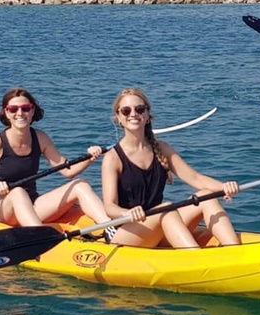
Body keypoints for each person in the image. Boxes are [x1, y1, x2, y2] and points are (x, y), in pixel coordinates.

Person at [101, 88, 240, 249]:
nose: (133, 114)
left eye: (139, 109)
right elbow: (110, 207)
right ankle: (196, 258)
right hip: (125, 231)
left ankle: (234, 250)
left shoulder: (162, 148)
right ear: (119, 117)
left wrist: (224, 187)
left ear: (147, 115)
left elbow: (195, 178)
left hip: (157, 222)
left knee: (207, 197)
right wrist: (126, 213)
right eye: (126, 111)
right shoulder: (112, 158)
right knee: (166, 209)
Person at [0, 87, 115, 238]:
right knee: (18, 192)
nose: (20, 113)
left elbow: (68, 171)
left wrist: (90, 157)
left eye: (25, 108)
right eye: (13, 109)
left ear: (32, 111)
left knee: (80, 185)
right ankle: (41, 239)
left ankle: (110, 229)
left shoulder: (40, 138)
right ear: (7, 113)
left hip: (31, 205)